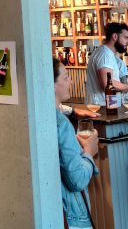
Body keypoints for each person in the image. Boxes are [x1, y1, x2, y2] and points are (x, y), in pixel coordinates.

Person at [0, 95, 99, 156]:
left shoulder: (5, 90)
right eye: (65, 77)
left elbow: (42, 102)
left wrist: (73, 110)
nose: (70, 81)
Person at [54, 57, 99, 229]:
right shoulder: (61, 124)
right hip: (71, 216)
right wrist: (88, 153)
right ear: (52, 84)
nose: (71, 81)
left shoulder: (33, 117)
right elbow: (77, 180)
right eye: (65, 77)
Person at [85, 23, 128, 105]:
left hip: (106, 106)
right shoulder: (104, 54)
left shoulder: (107, 53)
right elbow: (107, 84)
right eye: (125, 38)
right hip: (102, 108)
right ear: (115, 36)